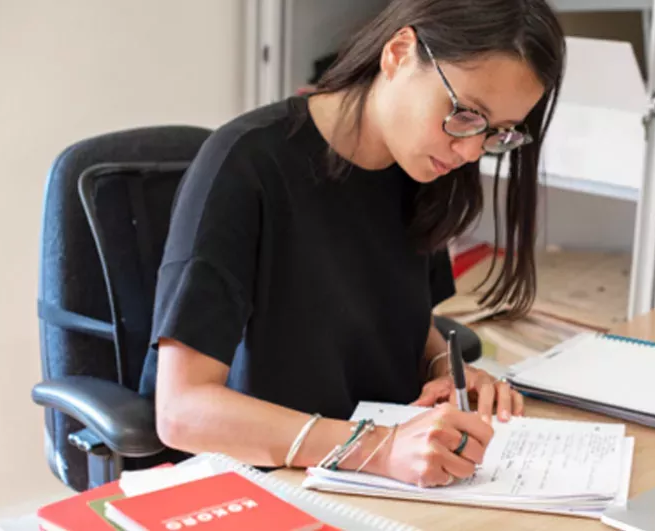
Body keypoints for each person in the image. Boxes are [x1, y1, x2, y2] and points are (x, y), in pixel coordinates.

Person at [139, 0, 566, 489]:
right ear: (400, 53)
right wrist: (376, 449)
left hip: (392, 475)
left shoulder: (423, 165)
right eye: (467, 114)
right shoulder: (246, 167)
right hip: (276, 478)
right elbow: (181, 411)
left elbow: (401, 318)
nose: (471, 150)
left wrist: (447, 372)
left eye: (497, 133)